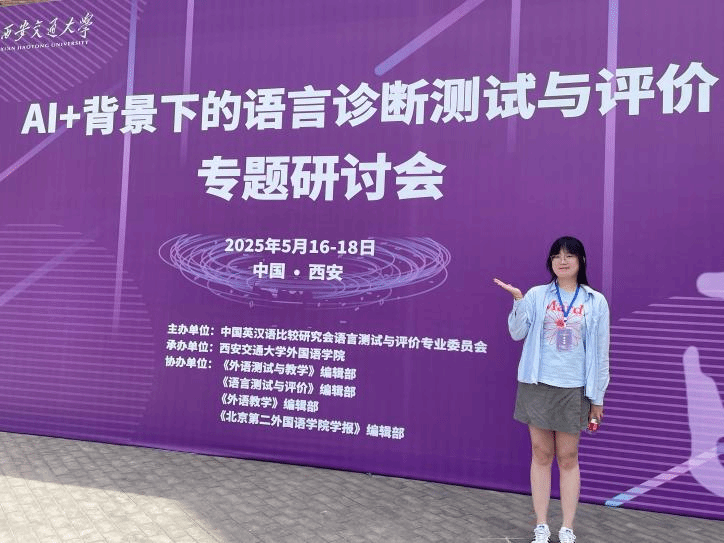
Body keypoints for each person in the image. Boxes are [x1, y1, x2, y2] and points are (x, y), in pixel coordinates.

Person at [493, 236, 610, 543]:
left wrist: (597, 398)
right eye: (556, 256)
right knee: (541, 454)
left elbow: (601, 353)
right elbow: (516, 332)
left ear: (581, 261)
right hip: (538, 385)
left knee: (568, 457)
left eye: (569, 255)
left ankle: (567, 527)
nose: (562, 261)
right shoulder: (536, 295)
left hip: (574, 389)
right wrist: (518, 300)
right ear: (550, 262)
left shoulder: (594, 301)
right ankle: (542, 525)